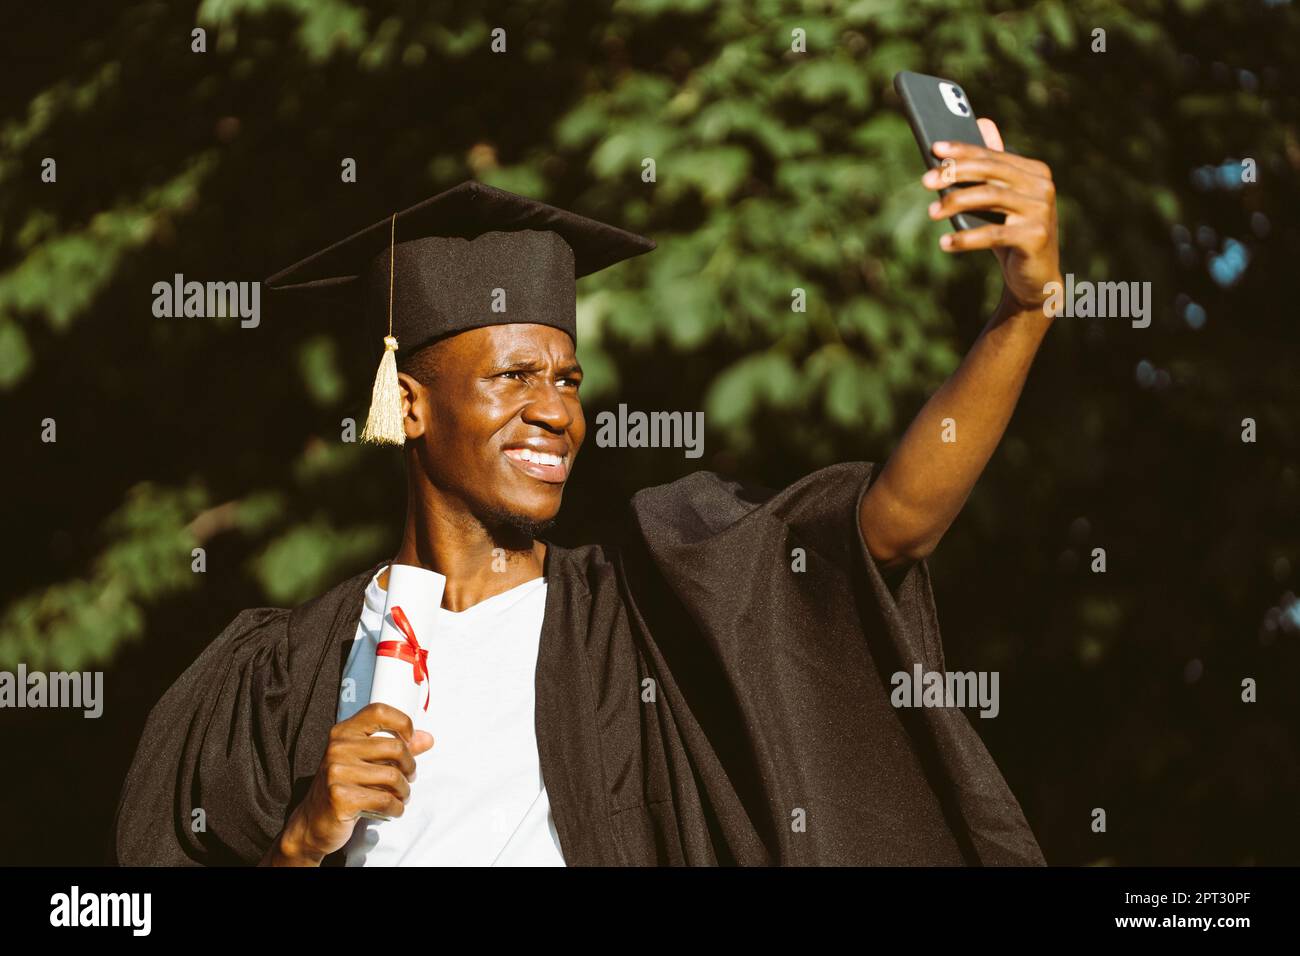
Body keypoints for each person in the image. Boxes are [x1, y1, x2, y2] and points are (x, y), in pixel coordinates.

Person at [113, 118, 1060, 866]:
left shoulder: (644, 608)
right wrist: (301, 839)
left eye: (566, 381)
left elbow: (890, 527)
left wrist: (1023, 312)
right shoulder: (282, 674)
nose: (553, 412)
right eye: (511, 377)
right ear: (407, 404)